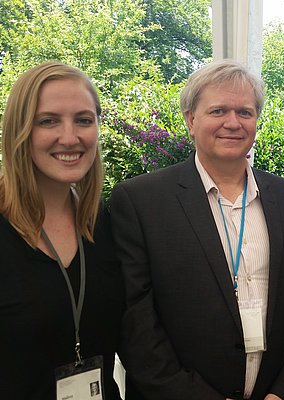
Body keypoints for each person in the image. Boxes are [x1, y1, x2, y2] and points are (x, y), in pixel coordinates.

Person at [110, 60, 284, 400]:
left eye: (245, 112)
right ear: (191, 120)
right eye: (218, 110)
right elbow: (135, 322)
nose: (232, 123)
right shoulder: (141, 202)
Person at [0, 62, 124, 399]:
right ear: (19, 129)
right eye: (48, 121)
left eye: (83, 120)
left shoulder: (105, 222)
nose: (70, 137)